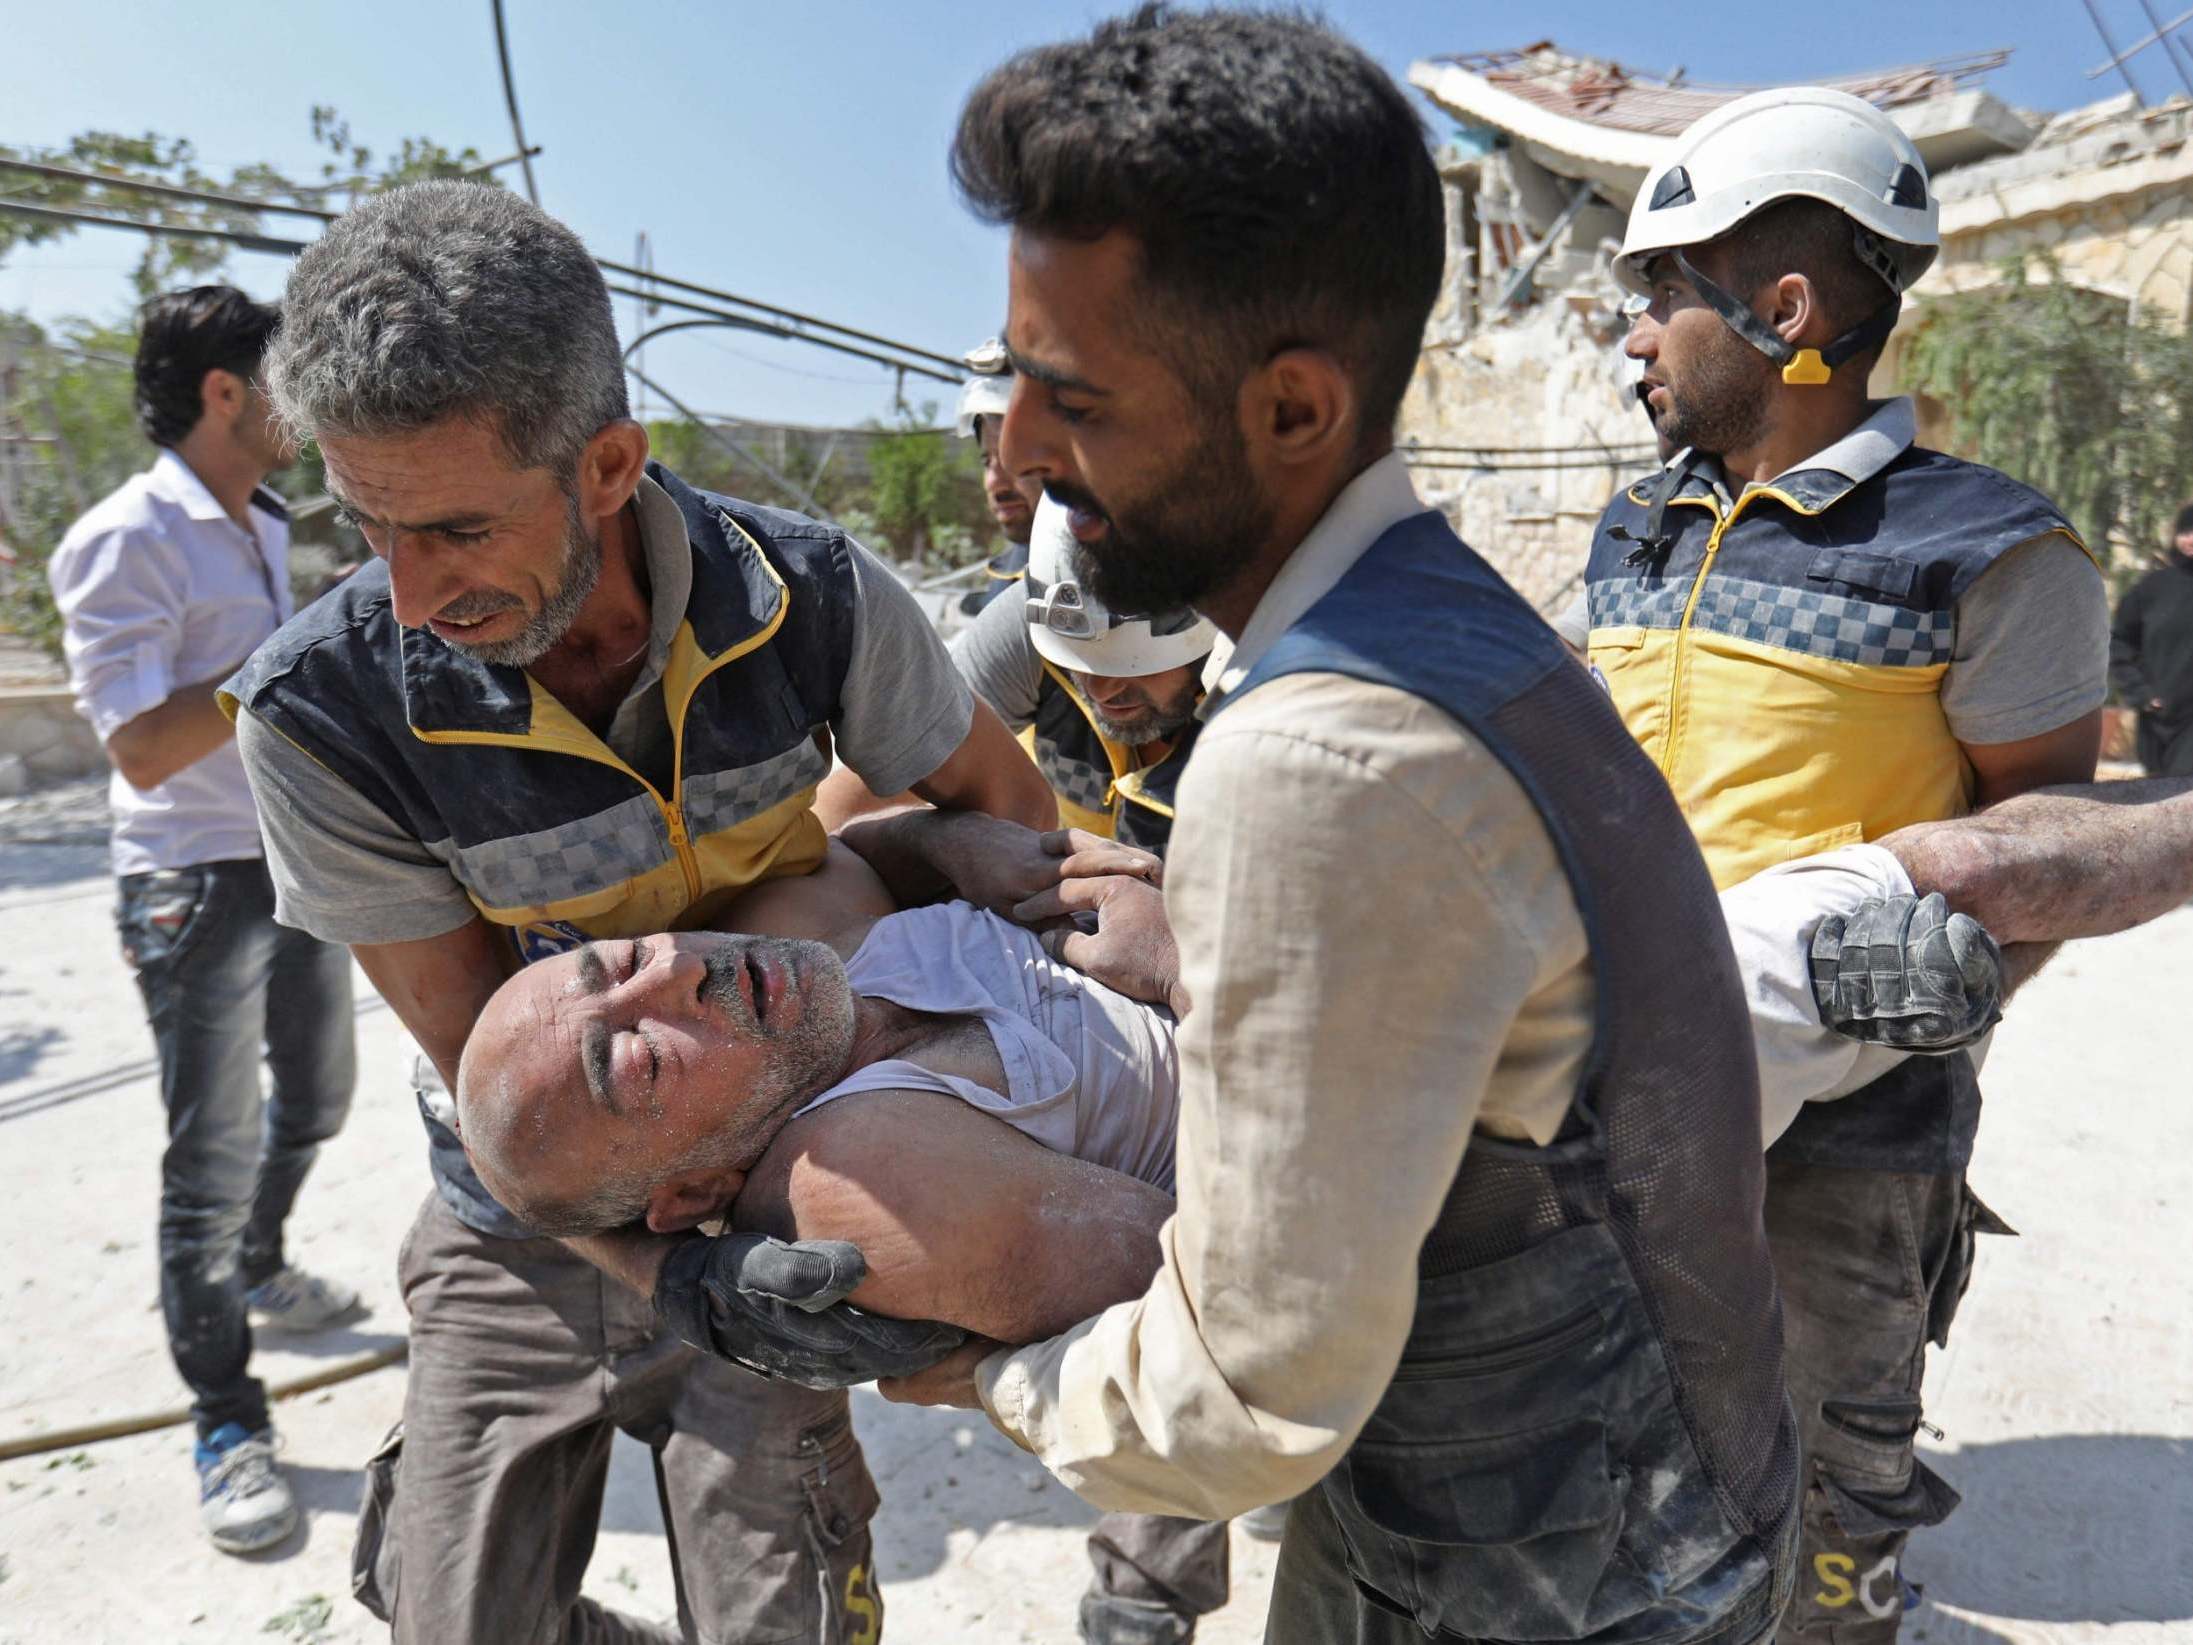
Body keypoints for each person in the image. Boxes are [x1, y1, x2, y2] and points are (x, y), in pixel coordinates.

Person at [881, 11, 1803, 1644]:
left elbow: (1254, 1385)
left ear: (1292, 412)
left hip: (1537, 1575)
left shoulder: (1318, 752)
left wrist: (978, 1366)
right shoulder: (1448, 621)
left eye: (1069, 400)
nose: (1016, 460)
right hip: (1627, 1499)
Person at [222, 181, 1054, 1645]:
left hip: (782, 1192)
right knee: (460, 1613)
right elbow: (500, 1080)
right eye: (369, 529)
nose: (410, 597)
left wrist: (884, 907)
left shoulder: (810, 599)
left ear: (608, 464)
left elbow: (1011, 823)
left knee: (788, 1616)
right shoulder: (320, 711)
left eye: (459, 530)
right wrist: (676, 1271)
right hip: (519, 1225)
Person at [1568, 88, 2111, 1640]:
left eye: (1660, 293)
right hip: (1605, 1092)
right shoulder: (1637, 525)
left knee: (1826, 1490)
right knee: (1616, 1447)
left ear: (1784, 308)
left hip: (1849, 1141)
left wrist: (1934, 983)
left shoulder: (1992, 552)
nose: (1634, 335)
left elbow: (2044, 846)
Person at [47, 285, 361, 1555]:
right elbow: (137, 747)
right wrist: (295, 654)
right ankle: (228, 1423)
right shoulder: (126, 537)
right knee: (207, 1160)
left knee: (322, 1099)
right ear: (224, 390)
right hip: (192, 879)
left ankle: (262, 1259)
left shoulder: (263, 518)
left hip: (291, 865)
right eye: (281, 377)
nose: (301, 403)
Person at [956, 493, 1214, 853]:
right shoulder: (1033, 615)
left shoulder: (1269, 694)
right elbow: (889, 786)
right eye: (1074, 658)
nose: (1099, 690)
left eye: (1132, 663)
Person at [2108, 503, 2193, 776]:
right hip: (2158, 720)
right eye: (2185, 531)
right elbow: (2120, 644)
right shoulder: (2151, 589)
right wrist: (2141, 693)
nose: (2190, 539)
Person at [957, 336, 1037, 610]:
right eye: (987, 462)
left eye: (1009, 458)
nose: (994, 482)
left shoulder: (1126, 587)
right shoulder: (1006, 576)